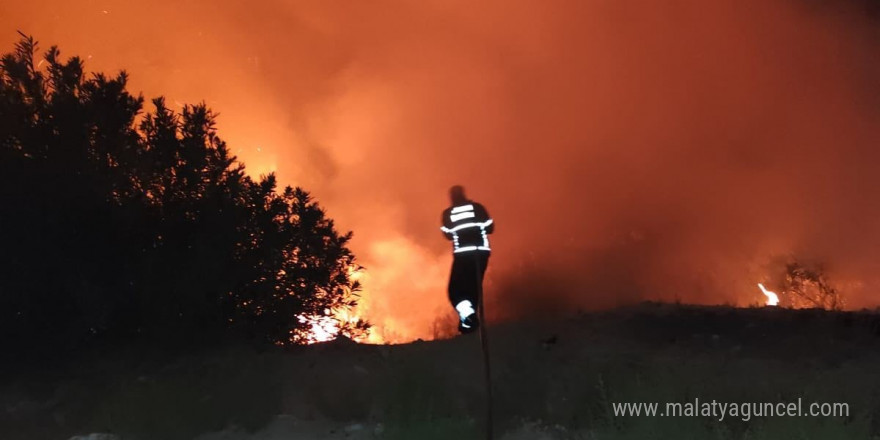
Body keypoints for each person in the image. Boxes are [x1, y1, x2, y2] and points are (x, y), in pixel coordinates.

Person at [440, 185, 494, 333]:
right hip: (481, 252)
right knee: (473, 287)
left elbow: (447, 235)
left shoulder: (448, 213)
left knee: (455, 290)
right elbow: (490, 228)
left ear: (451, 197)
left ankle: (468, 317)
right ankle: (470, 322)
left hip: (463, 254)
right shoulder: (477, 207)